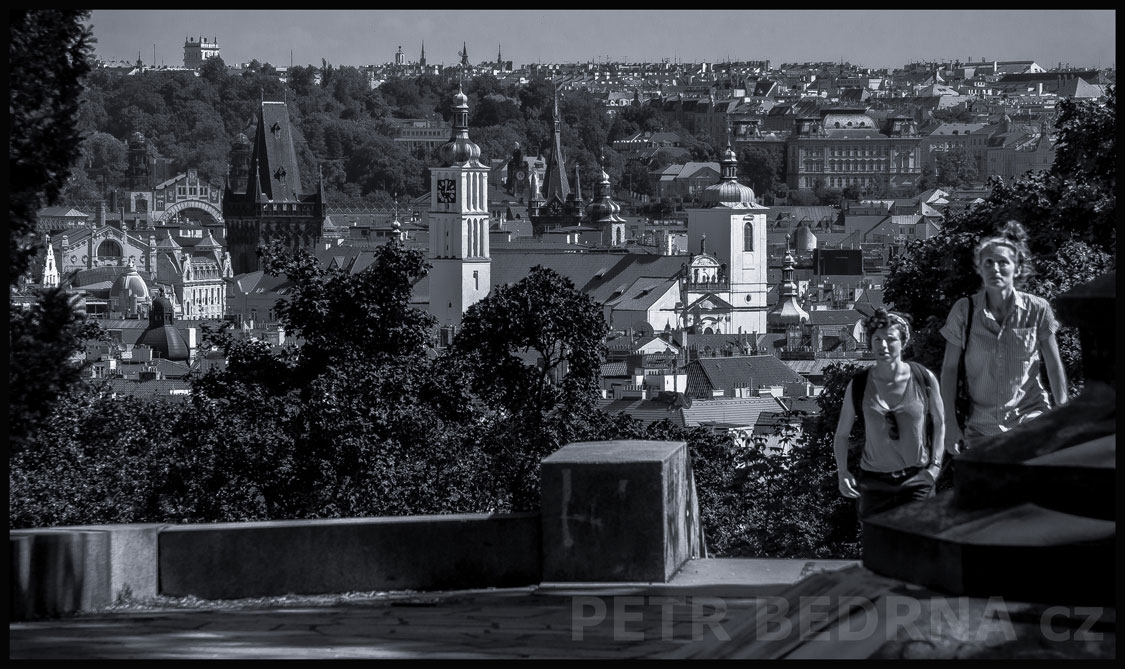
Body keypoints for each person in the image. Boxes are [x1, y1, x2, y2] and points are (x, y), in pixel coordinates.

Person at [939, 220, 1068, 454]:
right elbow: (949, 369)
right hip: (981, 427)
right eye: (988, 263)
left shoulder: (1037, 309)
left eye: (1003, 262)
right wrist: (949, 423)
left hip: (1030, 419)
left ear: (1016, 269)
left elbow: (1053, 364)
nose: (995, 269)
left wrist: (1063, 413)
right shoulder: (964, 311)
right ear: (980, 269)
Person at [834, 309, 945, 519]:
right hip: (875, 484)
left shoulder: (923, 379)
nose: (883, 345)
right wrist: (843, 472)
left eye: (890, 339)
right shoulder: (859, 385)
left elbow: (940, 423)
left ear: (903, 342)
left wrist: (935, 466)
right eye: (877, 339)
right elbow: (841, 434)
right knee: (877, 540)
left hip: (917, 481)